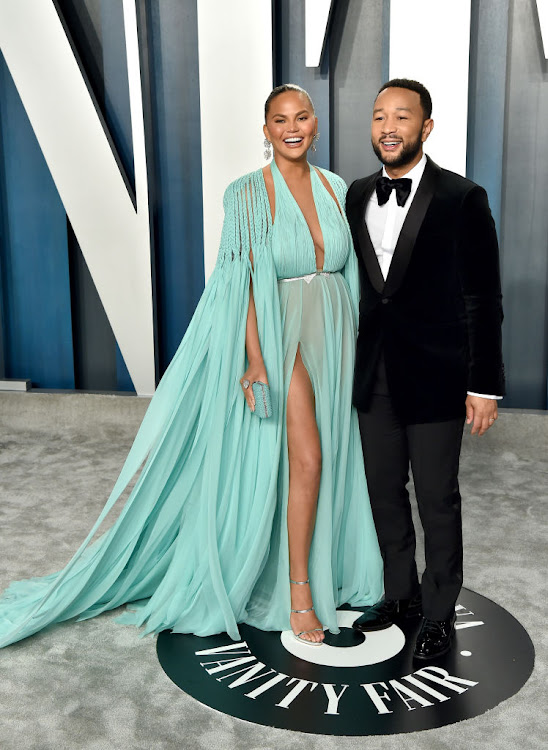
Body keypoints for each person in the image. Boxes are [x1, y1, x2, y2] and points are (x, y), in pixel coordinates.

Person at [0, 84, 383, 650]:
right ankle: (298, 592)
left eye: (302, 117)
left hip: (334, 332)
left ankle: (329, 567)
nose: (292, 128)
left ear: (317, 124)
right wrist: (256, 357)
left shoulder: (337, 188)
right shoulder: (247, 194)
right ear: (266, 129)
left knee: (334, 456)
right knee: (308, 458)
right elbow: (243, 282)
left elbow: (350, 272)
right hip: (282, 335)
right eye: (280, 120)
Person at [346, 79, 504, 660]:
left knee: (437, 496)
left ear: (426, 127)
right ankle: (400, 593)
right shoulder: (357, 192)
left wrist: (484, 384)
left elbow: (482, 297)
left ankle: (439, 609)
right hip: (375, 375)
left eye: (402, 117)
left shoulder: (464, 198)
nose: (388, 126)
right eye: (379, 115)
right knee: (383, 489)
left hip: (439, 374)